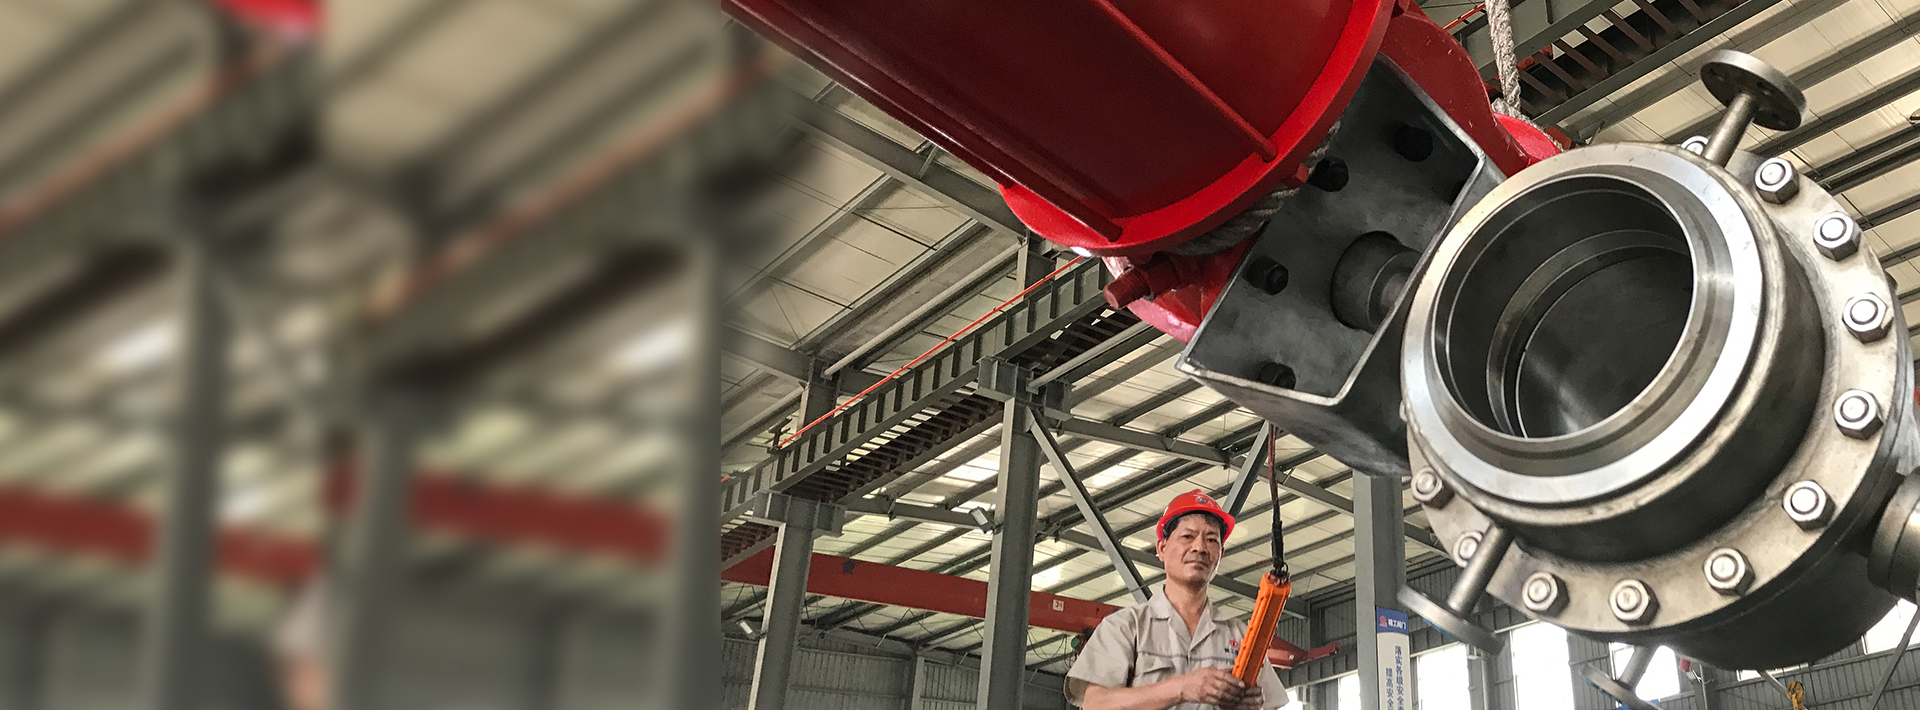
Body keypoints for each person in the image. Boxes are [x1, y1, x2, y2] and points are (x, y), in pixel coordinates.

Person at [1066, 489, 1290, 710]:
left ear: (1221, 554)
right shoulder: (1125, 627)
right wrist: (1181, 688)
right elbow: (1096, 704)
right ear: (1162, 549)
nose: (1200, 547)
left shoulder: (1241, 637)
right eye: (1187, 536)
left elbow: (1271, 705)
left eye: (1211, 539)